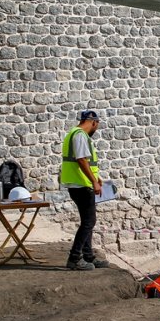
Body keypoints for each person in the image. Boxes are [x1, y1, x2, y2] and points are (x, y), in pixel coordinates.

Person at [59, 109, 108, 271]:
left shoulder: (74, 134)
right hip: (81, 185)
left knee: (88, 221)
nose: (96, 129)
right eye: (97, 125)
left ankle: (88, 257)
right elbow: (81, 159)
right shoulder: (80, 135)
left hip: (79, 184)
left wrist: (96, 176)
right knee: (89, 222)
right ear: (94, 122)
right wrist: (94, 181)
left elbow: (86, 162)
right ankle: (74, 258)